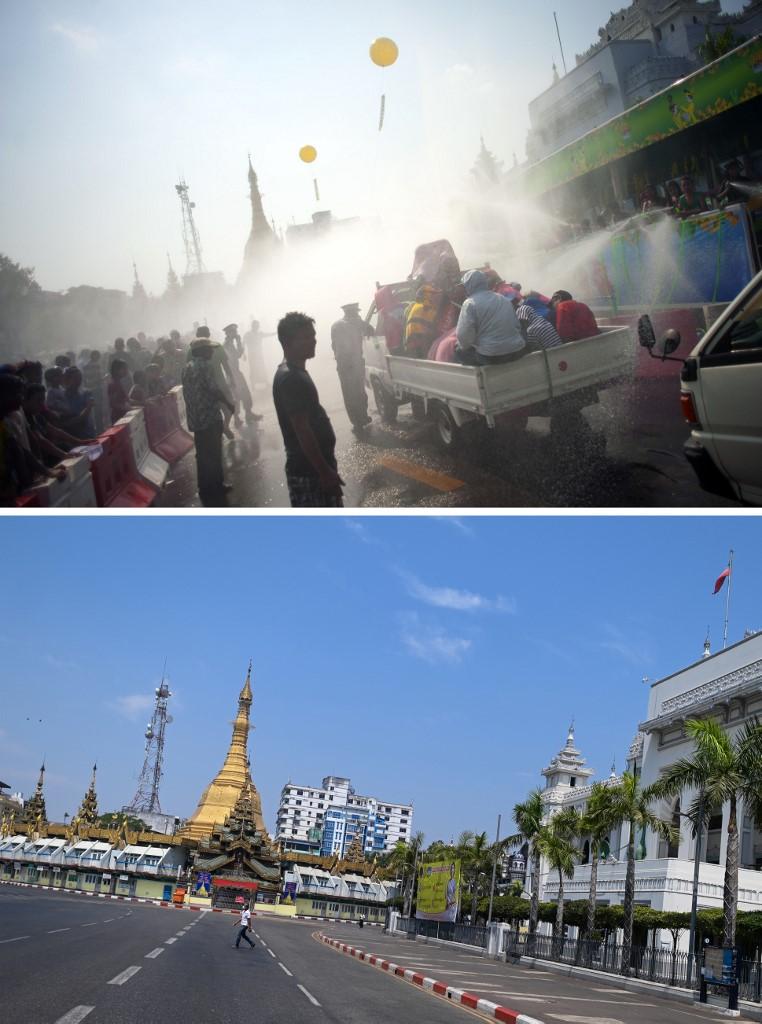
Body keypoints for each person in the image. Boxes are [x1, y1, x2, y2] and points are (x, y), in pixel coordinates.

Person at [273, 312, 344, 508]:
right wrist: (325, 473)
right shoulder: (291, 378)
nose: (313, 341)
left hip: (313, 469)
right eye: (305, 338)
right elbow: (302, 429)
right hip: (310, 473)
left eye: (313, 336)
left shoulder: (295, 372)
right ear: (287, 343)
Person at [182, 334, 235, 506]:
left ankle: (204, 487)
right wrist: (227, 402)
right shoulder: (205, 366)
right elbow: (213, 389)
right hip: (210, 416)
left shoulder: (186, 367)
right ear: (202, 351)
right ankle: (217, 485)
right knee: (214, 451)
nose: (212, 351)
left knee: (203, 454)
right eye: (209, 349)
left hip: (196, 418)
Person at [454, 270, 526, 366]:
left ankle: (480, 374)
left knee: (458, 349)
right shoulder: (503, 299)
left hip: (492, 357)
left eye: (464, 286)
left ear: (469, 285)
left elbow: (463, 337)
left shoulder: (469, 303)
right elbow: (517, 326)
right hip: (517, 351)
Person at [330, 303, 372, 432]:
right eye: (356, 312)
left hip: (343, 365)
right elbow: (372, 330)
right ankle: (362, 418)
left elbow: (333, 346)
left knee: (349, 394)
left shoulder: (335, 325)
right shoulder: (356, 323)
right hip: (354, 363)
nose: (358, 314)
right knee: (359, 392)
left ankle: (356, 421)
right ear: (353, 312)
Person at [222, 323, 259, 425]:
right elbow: (236, 356)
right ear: (229, 333)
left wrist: (238, 342)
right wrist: (238, 341)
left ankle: (247, 414)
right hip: (233, 374)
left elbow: (237, 355)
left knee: (243, 394)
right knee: (236, 396)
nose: (237, 333)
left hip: (235, 373)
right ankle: (237, 419)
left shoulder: (229, 343)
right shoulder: (227, 345)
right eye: (234, 332)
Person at [59, 367, 95, 439]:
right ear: (67, 380)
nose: (79, 380)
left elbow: (85, 415)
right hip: (71, 436)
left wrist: (69, 423)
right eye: (76, 378)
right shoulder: (61, 396)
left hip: (87, 432)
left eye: (80, 377)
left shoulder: (86, 393)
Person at [108, 359, 133, 424]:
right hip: (118, 417)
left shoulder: (119, 382)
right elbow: (113, 404)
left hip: (123, 415)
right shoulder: (113, 384)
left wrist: (142, 403)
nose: (126, 371)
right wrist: (126, 408)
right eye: (124, 368)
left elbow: (127, 400)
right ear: (116, 370)